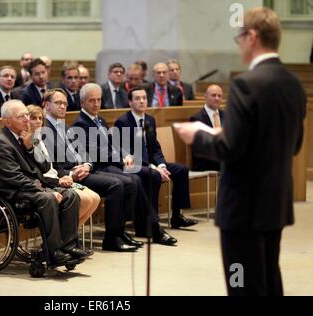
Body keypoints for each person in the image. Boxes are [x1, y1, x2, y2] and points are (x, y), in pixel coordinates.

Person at [174, 7, 306, 296]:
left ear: (253, 36)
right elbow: (293, 144)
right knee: (269, 278)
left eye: (240, 37)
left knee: (242, 284)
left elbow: (228, 148)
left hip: (244, 206)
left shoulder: (248, 84)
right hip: (275, 202)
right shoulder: (293, 84)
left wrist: (196, 135)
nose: (240, 45)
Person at [0, 99, 88, 264]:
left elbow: (45, 166)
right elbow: (15, 178)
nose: (27, 119)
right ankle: (53, 251)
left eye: (27, 115)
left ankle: (68, 246)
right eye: (21, 117)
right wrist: (44, 191)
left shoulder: (25, 137)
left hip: (31, 187)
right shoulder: (0, 143)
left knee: (70, 195)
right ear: (7, 121)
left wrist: (31, 148)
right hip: (12, 191)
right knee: (48, 198)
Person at [43, 88, 139, 252]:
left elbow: (84, 152)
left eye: (65, 103)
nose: (63, 106)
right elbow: (50, 166)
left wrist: (88, 165)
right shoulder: (44, 129)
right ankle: (111, 239)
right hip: (70, 177)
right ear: (46, 105)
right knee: (116, 185)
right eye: (58, 103)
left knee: (129, 182)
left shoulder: (65, 126)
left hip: (84, 171)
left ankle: (118, 233)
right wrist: (72, 173)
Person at [115, 86, 195, 234]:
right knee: (154, 175)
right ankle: (151, 222)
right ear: (130, 102)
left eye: (144, 98)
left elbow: (155, 147)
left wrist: (162, 164)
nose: (142, 101)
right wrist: (153, 167)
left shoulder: (150, 120)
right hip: (133, 165)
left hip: (151, 163)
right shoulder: (123, 122)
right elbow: (128, 153)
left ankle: (177, 216)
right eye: (137, 99)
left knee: (181, 170)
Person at [27, 104, 100, 229]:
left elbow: (54, 165)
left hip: (58, 178)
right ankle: (66, 239)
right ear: (27, 120)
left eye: (40, 118)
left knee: (95, 198)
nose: (38, 121)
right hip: (48, 183)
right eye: (34, 118)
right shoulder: (27, 142)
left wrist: (67, 176)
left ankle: (68, 237)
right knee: (85, 199)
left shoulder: (42, 138)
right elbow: (36, 173)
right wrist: (59, 180)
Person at [189, 84, 225, 171]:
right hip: (206, 162)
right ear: (205, 96)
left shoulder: (226, 116)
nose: (217, 98)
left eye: (219, 96)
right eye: (213, 95)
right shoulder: (197, 119)